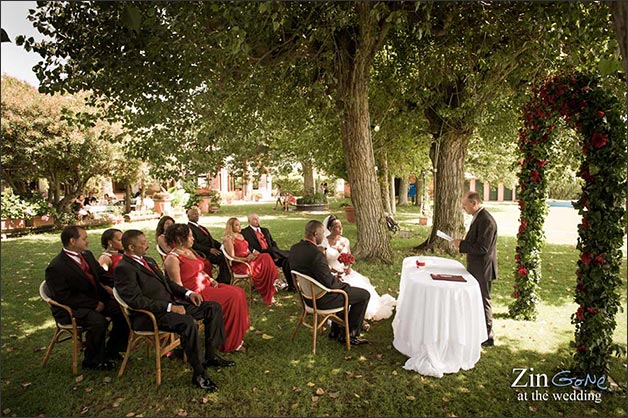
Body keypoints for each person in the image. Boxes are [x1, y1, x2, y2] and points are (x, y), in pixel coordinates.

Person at [114, 230, 234, 392]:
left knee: (213, 307)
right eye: (143, 243)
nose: (147, 245)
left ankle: (210, 356)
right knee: (188, 323)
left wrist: (188, 293)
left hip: (169, 306)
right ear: (131, 247)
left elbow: (168, 283)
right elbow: (136, 301)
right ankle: (199, 373)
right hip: (151, 316)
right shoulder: (124, 268)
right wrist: (170, 307)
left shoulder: (147, 260)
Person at [45, 225, 128, 370]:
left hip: (96, 300)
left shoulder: (87, 255)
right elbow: (64, 297)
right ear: (72, 241)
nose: (87, 242)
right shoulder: (56, 267)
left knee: (123, 310)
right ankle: (92, 361)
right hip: (73, 308)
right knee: (98, 322)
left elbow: (102, 275)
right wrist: (93, 304)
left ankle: (112, 349)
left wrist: (119, 287)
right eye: (84, 239)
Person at [163, 224, 249, 353]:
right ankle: (230, 343)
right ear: (181, 239)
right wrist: (192, 295)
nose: (193, 239)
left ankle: (235, 335)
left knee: (239, 292)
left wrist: (211, 279)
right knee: (233, 297)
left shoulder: (189, 251)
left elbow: (199, 270)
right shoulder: (172, 259)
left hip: (206, 285)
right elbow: (178, 287)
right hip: (196, 294)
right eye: (190, 236)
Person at [289, 220, 370, 346]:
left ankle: (335, 331)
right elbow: (330, 284)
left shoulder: (295, 249)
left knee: (343, 291)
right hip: (321, 300)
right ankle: (350, 335)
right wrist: (344, 285)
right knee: (363, 295)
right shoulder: (317, 254)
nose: (324, 235)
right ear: (316, 234)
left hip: (307, 298)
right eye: (322, 233)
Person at [320, 215, 396, 321]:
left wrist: (349, 267)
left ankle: (361, 315)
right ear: (330, 229)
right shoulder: (324, 243)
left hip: (345, 271)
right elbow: (323, 263)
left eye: (341, 226)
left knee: (361, 287)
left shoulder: (345, 241)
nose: (341, 229)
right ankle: (355, 319)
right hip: (332, 273)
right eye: (337, 227)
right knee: (348, 289)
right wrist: (334, 271)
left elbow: (349, 257)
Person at [452, 191, 497, 347]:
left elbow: (482, 248)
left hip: (483, 268)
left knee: (484, 299)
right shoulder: (478, 217)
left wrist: (462, 245)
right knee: (476, 298)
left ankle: (488, 336)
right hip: (476, 266)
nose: (463, 208)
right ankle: (478, 330)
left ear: (474, 203)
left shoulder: (486, 221)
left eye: (465, 205)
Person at [222, 217, 278, 306]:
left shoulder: (241, 235)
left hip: (249, 259)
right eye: (236, 225)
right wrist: (246, 259)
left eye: (240, 224)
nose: (239, 226)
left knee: (266, 257)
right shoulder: (229, 239)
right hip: (241, 264)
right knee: (264, 263)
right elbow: (232, 257)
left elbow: (246, 249)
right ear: (231, 227)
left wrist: (251, 254)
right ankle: (271, 286)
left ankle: (273, 282)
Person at [241, 213, 294, 292]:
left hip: (273, 254)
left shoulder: (265, 230)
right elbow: (245, 245)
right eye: (254, 219)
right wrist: (253, 250)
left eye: (258, 218)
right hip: (260, 255)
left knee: (286, 261)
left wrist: (276, 252)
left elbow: (272, 243)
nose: (257, 220)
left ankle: (291, 287)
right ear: (249, 221)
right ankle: (290, 254)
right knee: (272, 250)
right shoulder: (245, 232)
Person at [187, 207, 231, 284]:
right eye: (194, 214)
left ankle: (223, 278)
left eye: (197, 214)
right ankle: (224, 281)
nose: (197, 215)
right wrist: (209, 250)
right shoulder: (189, 228)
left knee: (228, 253)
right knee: (223, 258)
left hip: (212, 250)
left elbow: (211, 239)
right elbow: (194, 245)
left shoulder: (201, 227)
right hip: (204, 253)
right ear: (188, 216)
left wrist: (222, 246)